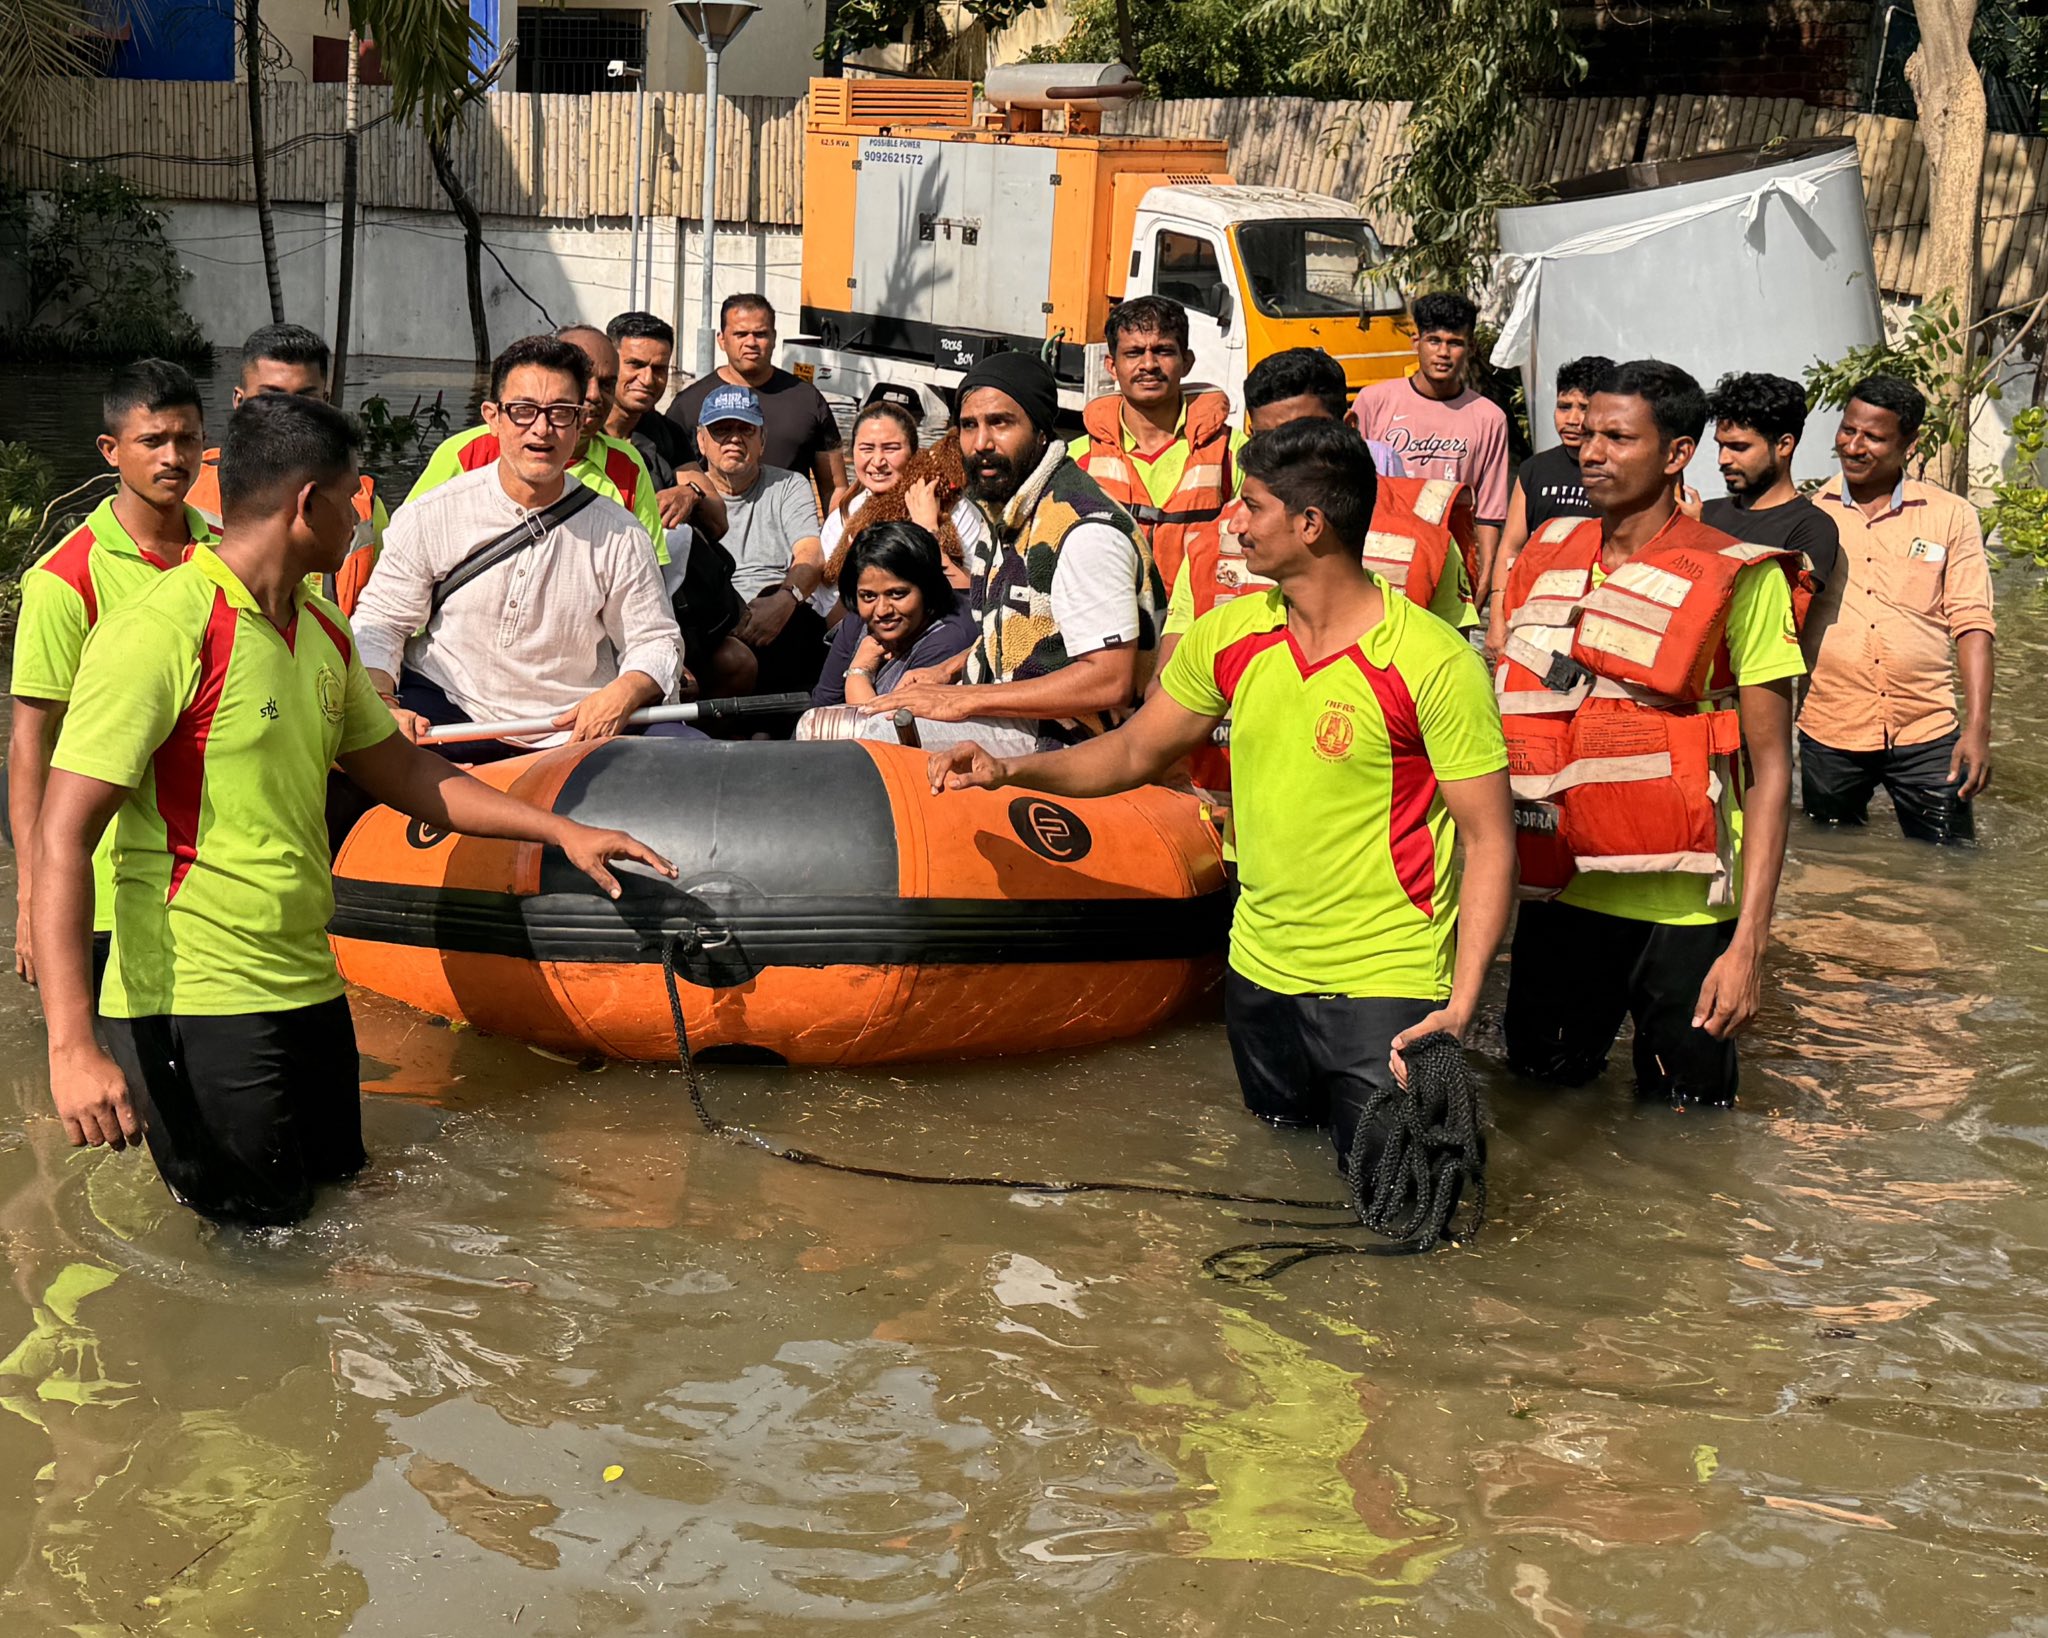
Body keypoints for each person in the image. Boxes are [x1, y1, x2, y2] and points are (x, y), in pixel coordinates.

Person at [30, 393, 676, 1226]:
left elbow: (406, 772)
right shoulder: (161, 633)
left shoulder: (323, 628)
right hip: (193, 994)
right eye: (351, 501)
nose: (361, 525)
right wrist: (72, 1047)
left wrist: (560, 830)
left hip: (305, 978)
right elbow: (61, 835)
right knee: (259, 1247)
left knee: (337, 1205)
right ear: (309, 503)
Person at [928, 419, 1514, 1171]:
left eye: (1254, 507)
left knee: (1400, 1216)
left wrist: (1459, 1010)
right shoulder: (1232, 635)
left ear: (1311, 525)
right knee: (1274, 1170)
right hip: (1259, 973)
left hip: (1387, 986)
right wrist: (1010, 773)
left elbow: (1490, 840)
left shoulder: (1431, 663)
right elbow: (1138, 749)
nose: (1233, 525)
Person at [1495, 360, 1804, 1109]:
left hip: (1685, 912)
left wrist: (1748, 947)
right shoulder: (1546, 552)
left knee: (1687, 1124)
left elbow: (1768, 769)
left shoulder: (1742, 576)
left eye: (1618, 437)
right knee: (1533, 1100)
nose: (1592, 452)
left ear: (1676, 455)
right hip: (1561, 896)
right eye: (1588, 434)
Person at [350, 336, 685, 763]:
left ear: (582, 419)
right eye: (523, 411)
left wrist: (621, 694)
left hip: (576, 727)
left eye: (560, 413)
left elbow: (655, 641)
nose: (541, 430)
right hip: (449, 711)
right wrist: (383, 703)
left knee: (689, 761)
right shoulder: (432, 514)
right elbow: (380, 624)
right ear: (493, 417)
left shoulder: (620, 533)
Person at [9, 360, 213, 992]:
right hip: (100, 887)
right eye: (152, 441)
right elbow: (29, 744)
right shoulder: (64, 578)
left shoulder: (224, 560)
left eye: (186, 440)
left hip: (207, 881)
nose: (172, 457)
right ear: (111, 450)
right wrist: (32, 895)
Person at [866, 351, 1159, 752]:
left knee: (870, 738)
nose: (981, 442)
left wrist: (962, 700)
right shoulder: (1008, 510)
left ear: (1040, 431)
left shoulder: (1084, 531)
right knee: (823, 725)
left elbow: (1110, 680)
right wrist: (947, 671)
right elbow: (1032, 633)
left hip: (1075, 745)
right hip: (1019, 720)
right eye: (969, 426)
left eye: (1000, 423)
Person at [1796, 373, 1995, 844]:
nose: (1854, 446)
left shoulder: (1951, 515)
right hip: (1830, 726)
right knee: (1830, 861)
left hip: (1927, 729)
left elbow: (1972, 625)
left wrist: (1978, 730)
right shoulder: (1809, 516)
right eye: (1848, 430)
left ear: (1911, 442)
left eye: (1874, 437)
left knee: (1951, 865)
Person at [407, 325, 667, 557]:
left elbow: (647, 568)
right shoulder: (465, 453)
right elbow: (408, 546)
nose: (594, 395)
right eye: (581, 381)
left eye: (607, 384)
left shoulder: (627, 465)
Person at [185, 322, 389, 613]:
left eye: (306, 399)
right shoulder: (187, 488)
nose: (291, 415)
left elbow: (389, 612)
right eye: (270, 398)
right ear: (239, 401)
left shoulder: (362, 504)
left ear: (327, 404)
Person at [1070, 294, 1244, 597]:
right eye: (1134, 353)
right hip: (1110, 635)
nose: (1148, 364)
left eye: (1163, 351)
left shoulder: (1234, 452)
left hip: (1201, 631)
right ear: (1112, 366)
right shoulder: (1076, 459)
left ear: (1186, 362)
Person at [1350, 292, 1511, 601]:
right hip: (1379, 560)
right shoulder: (1373, 402)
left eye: (1455, 343)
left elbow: (1489, 514)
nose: (1443, 353)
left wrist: (1483, 578)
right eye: (1434, 341)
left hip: (1451, 568)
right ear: (1416, 342)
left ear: (1470, 347)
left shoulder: (1490, 418)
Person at [693, 382, 829, 697]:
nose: (734, 439)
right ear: (702, 441)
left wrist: (786, 598)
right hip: (715, 624)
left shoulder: (789, 485)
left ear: (763, 440)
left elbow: (810, 553)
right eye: (721, 430)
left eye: (746, 429)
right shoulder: (686, 492)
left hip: (780, 622)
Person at [1484, 353, 1611, 661]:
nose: (1572, 419)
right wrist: (1498, 618)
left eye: (1585, 408)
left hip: (1598, 617)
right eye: (1564, 406)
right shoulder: (1534, 469)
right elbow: (1510, 548)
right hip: (1535, 616)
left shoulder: (1619, 469)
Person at [665, 294, 847, 508]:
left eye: (760, 334)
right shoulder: (688, 405)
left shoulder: (807, 399)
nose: (751, 342)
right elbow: (669, 485)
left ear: (773, 338)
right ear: (722, 340)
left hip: (790, 535)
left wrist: (838, 537)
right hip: (714, 535)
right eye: (740, 334)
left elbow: (834, 488)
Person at [820, 400, 985, 610]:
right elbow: (826, 600)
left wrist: (928, 530)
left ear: (914, 453)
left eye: (891, 448)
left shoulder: (955, 510)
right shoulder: (845, 515)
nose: (878, 461)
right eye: (866, 449)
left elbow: (974, 596)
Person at [811, 522, 978, 708]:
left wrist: (859, 672)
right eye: (868, 596)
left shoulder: (950, 637)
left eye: (897, 594)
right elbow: (822, 705)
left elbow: (888, 727)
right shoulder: (861, 618)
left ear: (927, 589)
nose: (882, 610)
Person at [602, 310, 727, 545]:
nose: (648, 379)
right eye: (635, 365)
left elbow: (718, 521)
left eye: (659, 369)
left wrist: (691, 493)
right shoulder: (577, 430)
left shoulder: (666, 433)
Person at [1241, 345, 1408, 472]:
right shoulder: (1246, 508)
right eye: (1267, 440)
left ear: (1349, 426)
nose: (1286, 452)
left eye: (1306, 435)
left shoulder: (1381, 464)